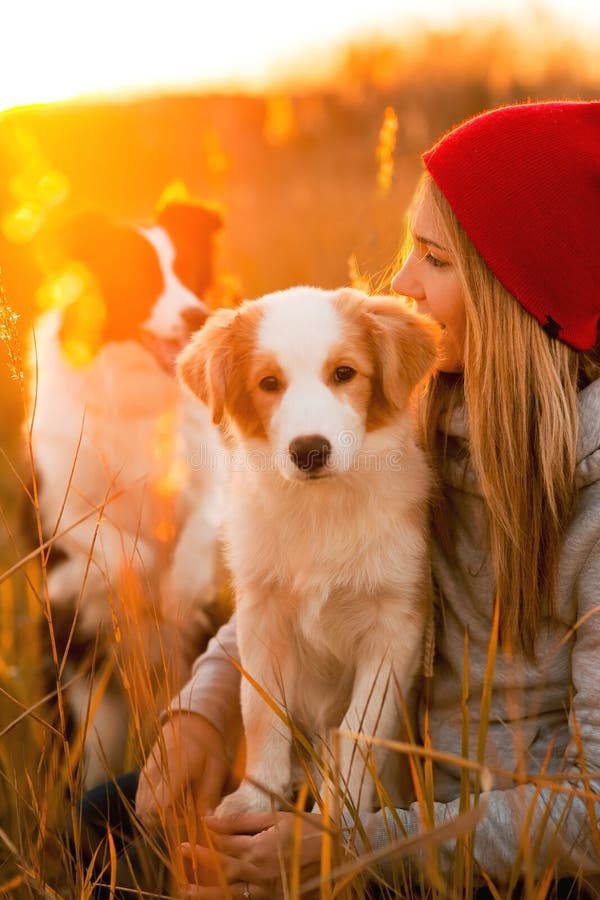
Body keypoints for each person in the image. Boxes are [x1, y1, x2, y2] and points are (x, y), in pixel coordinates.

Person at [84, 100, 600, 898]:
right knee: (108, 825)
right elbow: (286, 581)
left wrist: (346, 847)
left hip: (490, 837)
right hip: (356, 770)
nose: (401, 284)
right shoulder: (414, 400)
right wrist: (204, 708)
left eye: (433, 258)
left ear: (517, 288)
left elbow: (593, 811)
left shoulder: (588, 492)